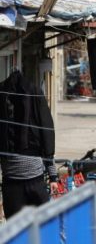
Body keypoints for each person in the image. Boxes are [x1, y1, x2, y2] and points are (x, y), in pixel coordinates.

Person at [0, 70, 59, 218]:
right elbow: (47, 135)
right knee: (43, 226)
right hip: (34, 181)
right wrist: (53, 177)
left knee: (16, 232)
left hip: (11, 182)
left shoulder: (2, 96)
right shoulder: (34, 94)